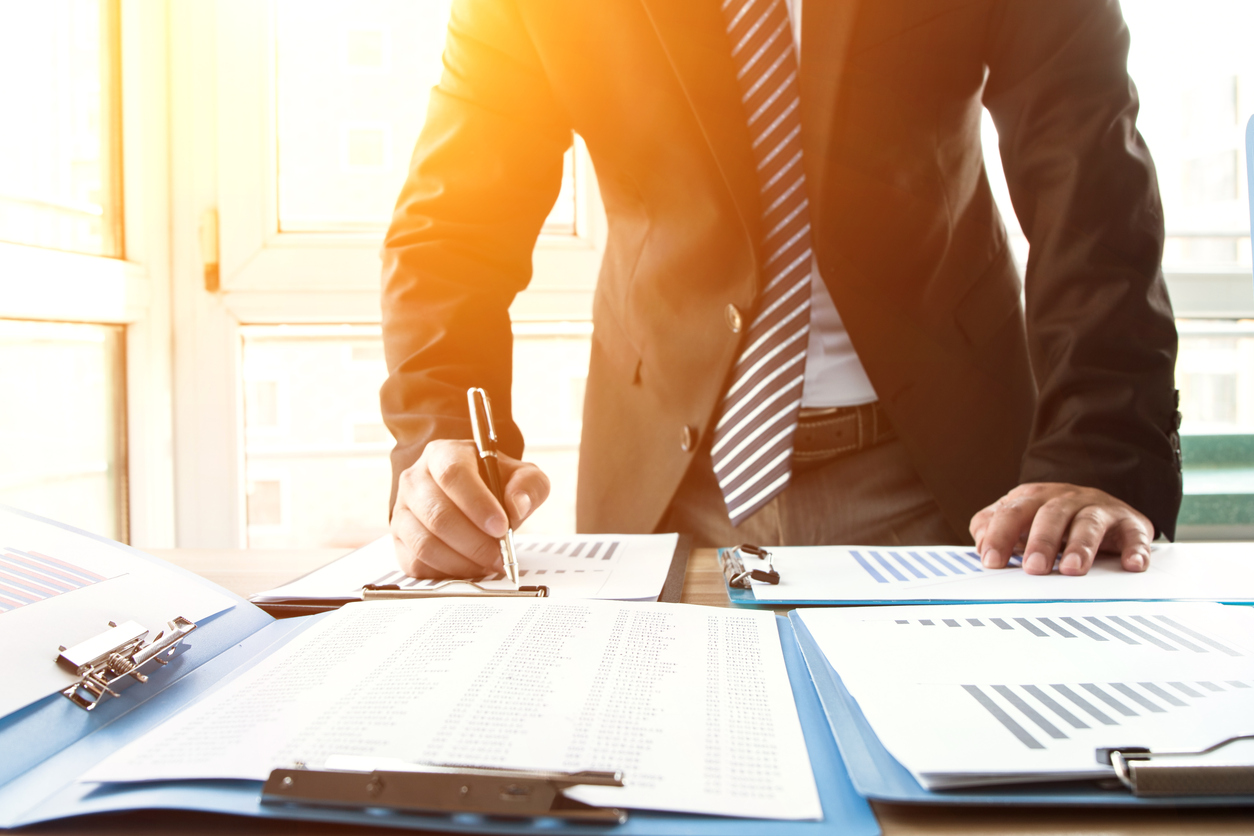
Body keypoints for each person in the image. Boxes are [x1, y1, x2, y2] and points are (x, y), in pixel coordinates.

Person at [379, 0, 1182, 581]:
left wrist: (1098, 455)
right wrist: (441, 443)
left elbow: (1091, 182)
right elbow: (453, 229)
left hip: (953, 484)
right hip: (664, 489)